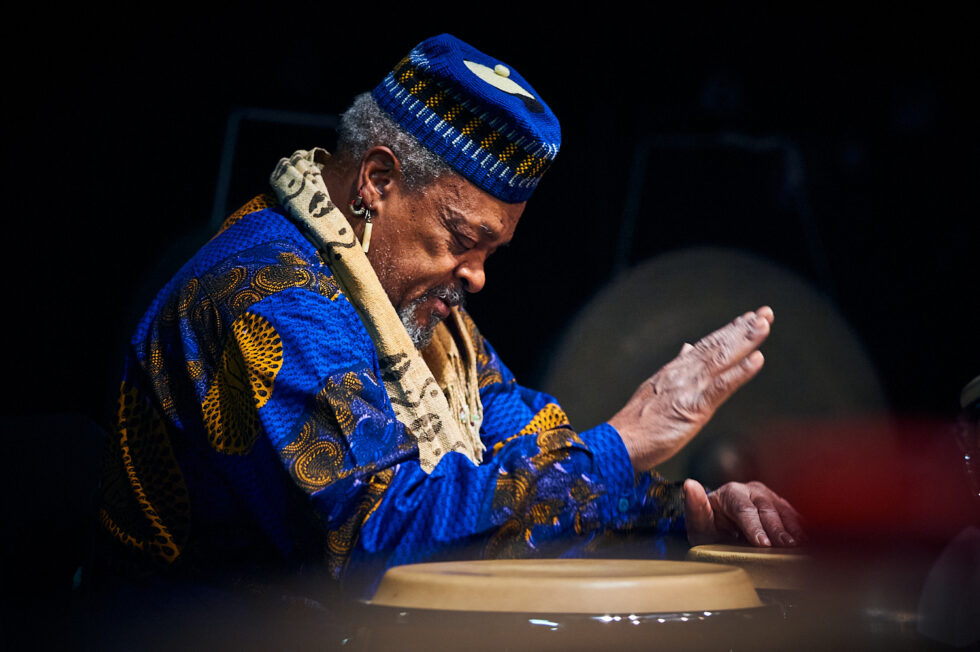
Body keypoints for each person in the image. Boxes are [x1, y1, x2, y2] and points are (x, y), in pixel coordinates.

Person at [96, 34, 802, 595]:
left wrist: (680, 515)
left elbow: (515, 456)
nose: (478, 276)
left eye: (494, 249)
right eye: (465, 241)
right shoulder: (266, 300)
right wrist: (626, 440)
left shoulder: (416, 311)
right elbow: (382, 541)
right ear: (378, 180)